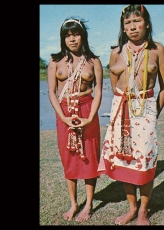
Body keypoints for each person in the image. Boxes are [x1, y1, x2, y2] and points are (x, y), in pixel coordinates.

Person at [98, 4, 164, 225]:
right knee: (124, 160)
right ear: (123, 27)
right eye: (127, 23)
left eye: (137, 21)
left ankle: (143, 212)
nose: (132, 26)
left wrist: (153, 112)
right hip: (122, 108)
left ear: (146, 24)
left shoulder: (157, 49)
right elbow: (114, 84)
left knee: (144, 161)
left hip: (145, 108)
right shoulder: (116, 52)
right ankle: (131, 208)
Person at [47, 17, 103, 222]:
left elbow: (98, 92)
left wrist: (89, 118)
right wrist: (63, 117)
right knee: (69, 158)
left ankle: (88, 204)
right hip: (64, 112)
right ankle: (74, 203)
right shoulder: (55, 61)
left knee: (89, 157)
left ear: (83, 36)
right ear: (63, 38)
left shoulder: (94, 61)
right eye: (68, 35)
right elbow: (51, 92)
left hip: (87, 110)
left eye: (76, 34)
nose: (72, 39)